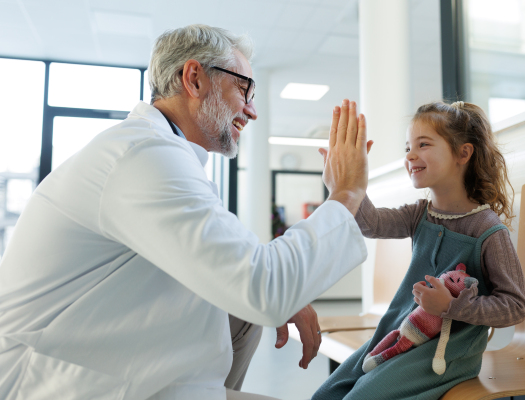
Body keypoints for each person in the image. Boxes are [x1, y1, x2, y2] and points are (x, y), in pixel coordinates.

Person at [0, 25, 372, 400]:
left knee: (244, 315)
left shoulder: (163, 154)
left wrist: (270, 298)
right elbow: (262, 286)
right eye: (245, 89)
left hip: (115, 374)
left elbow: (237, 276)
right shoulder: (143, 155)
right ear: (194, 79)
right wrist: (347, 192)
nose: (253, 110)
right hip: (54, 384)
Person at [312, 101, 525, 400]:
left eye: (423, 144)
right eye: (407, 148)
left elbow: (515, 306)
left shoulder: (487, 231)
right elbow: (372, 224)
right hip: (399, 334)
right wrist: (346, 185)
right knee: (326, 395)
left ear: (463, 153)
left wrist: (452, 307)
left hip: (446, 353)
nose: (410, 155)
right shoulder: (420, 213)